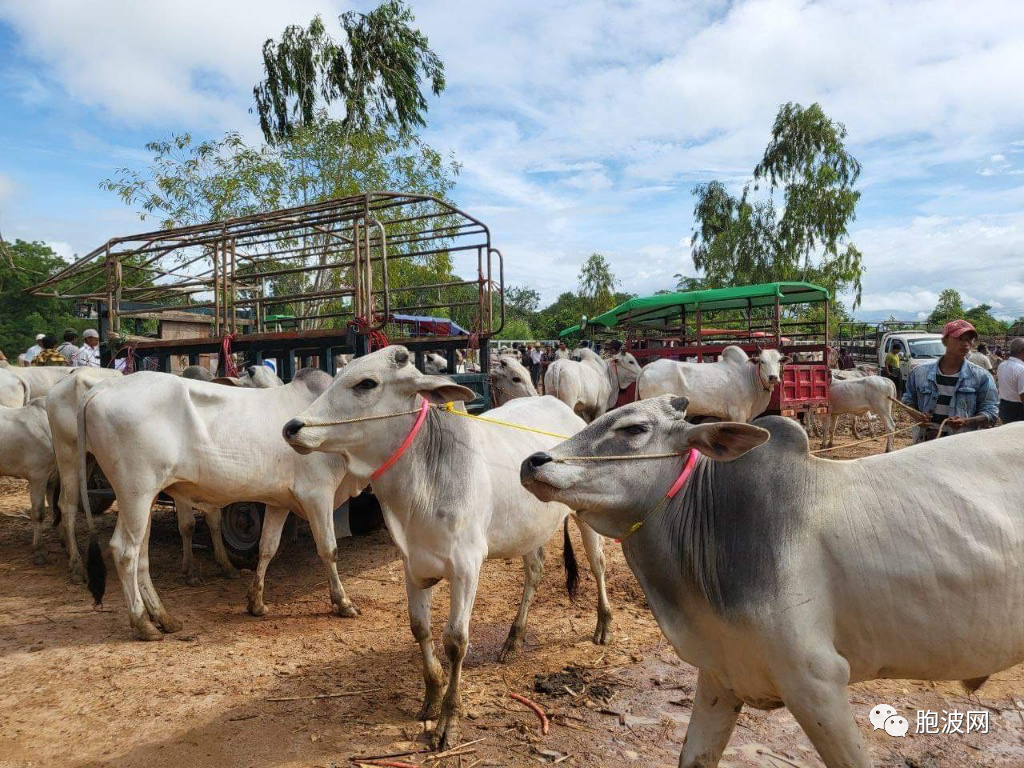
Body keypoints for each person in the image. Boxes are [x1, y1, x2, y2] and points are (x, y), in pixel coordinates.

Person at [902, 319, 998, 442]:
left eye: (969, 339)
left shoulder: (982, 376)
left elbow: (991, 411)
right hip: (924, 442)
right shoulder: (919, 373)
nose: (966, 344)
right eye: (960, 338)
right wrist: (916, 415)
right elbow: (907, 399)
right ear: (945, 341)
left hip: (960, 445)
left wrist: (966, 421)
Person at [996, 337, 1024, 424]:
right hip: (1018, 410)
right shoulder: (1021, 369)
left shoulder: (1002, 365)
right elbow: (1023, 396)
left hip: (1004, 407)